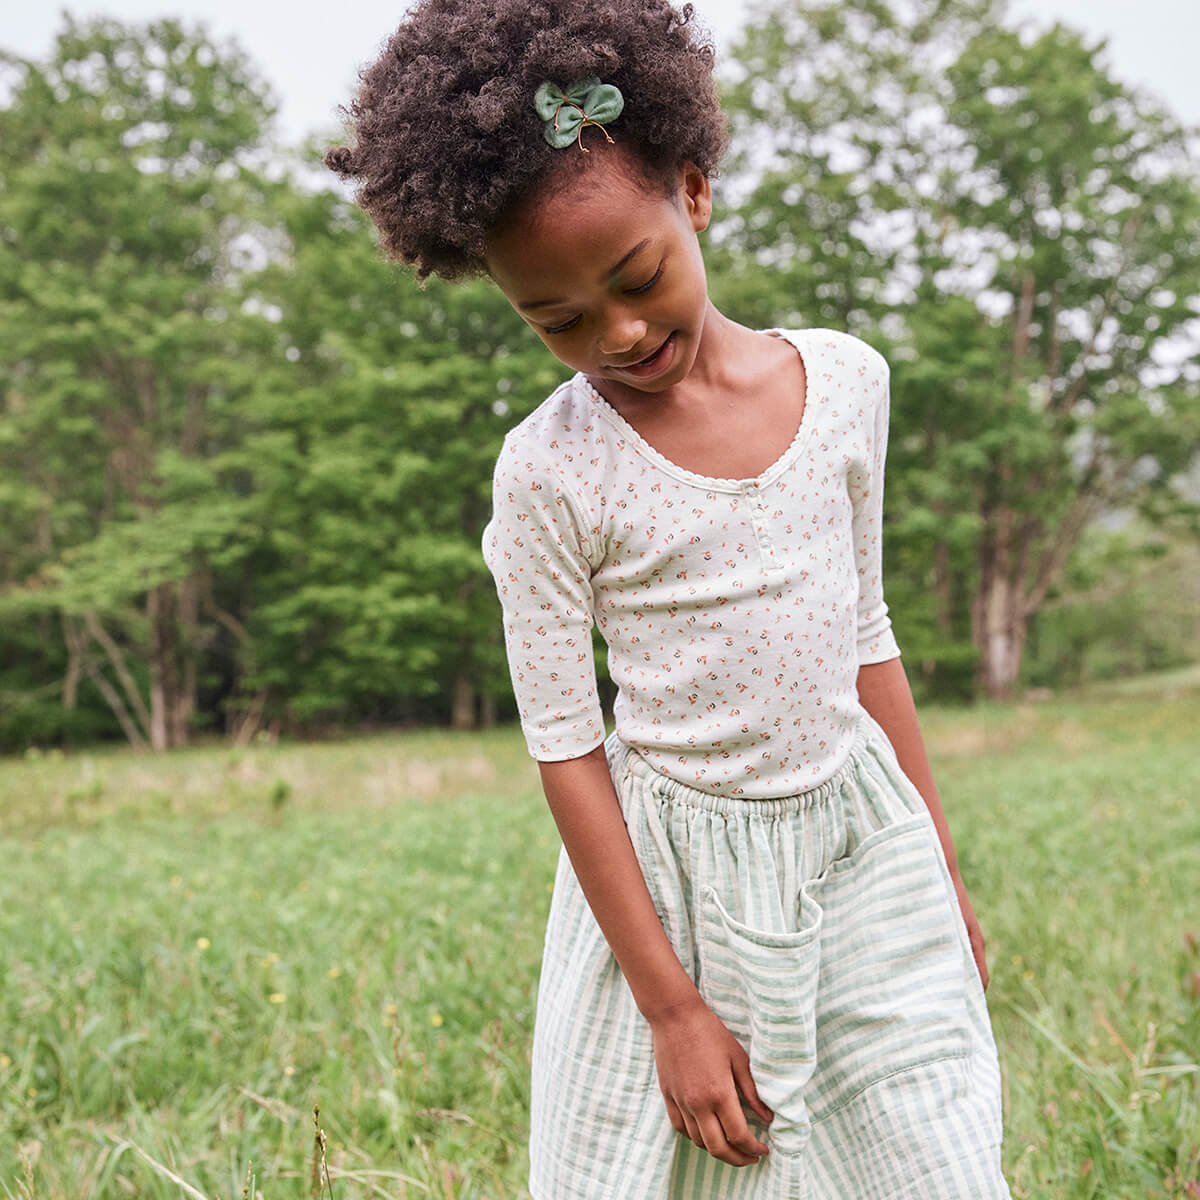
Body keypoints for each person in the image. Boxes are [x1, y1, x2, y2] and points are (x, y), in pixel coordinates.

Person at [326, 1, 1012, 1196]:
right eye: (558, 319)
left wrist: (941, 874)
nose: (620, 332)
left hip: (862, 854)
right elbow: (565, 743)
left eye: (637, 278)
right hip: (680, 893)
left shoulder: (847, 384)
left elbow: (867, 635)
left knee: (924, 1150)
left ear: (692, 190)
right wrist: (670, 1007)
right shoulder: (547, 474)